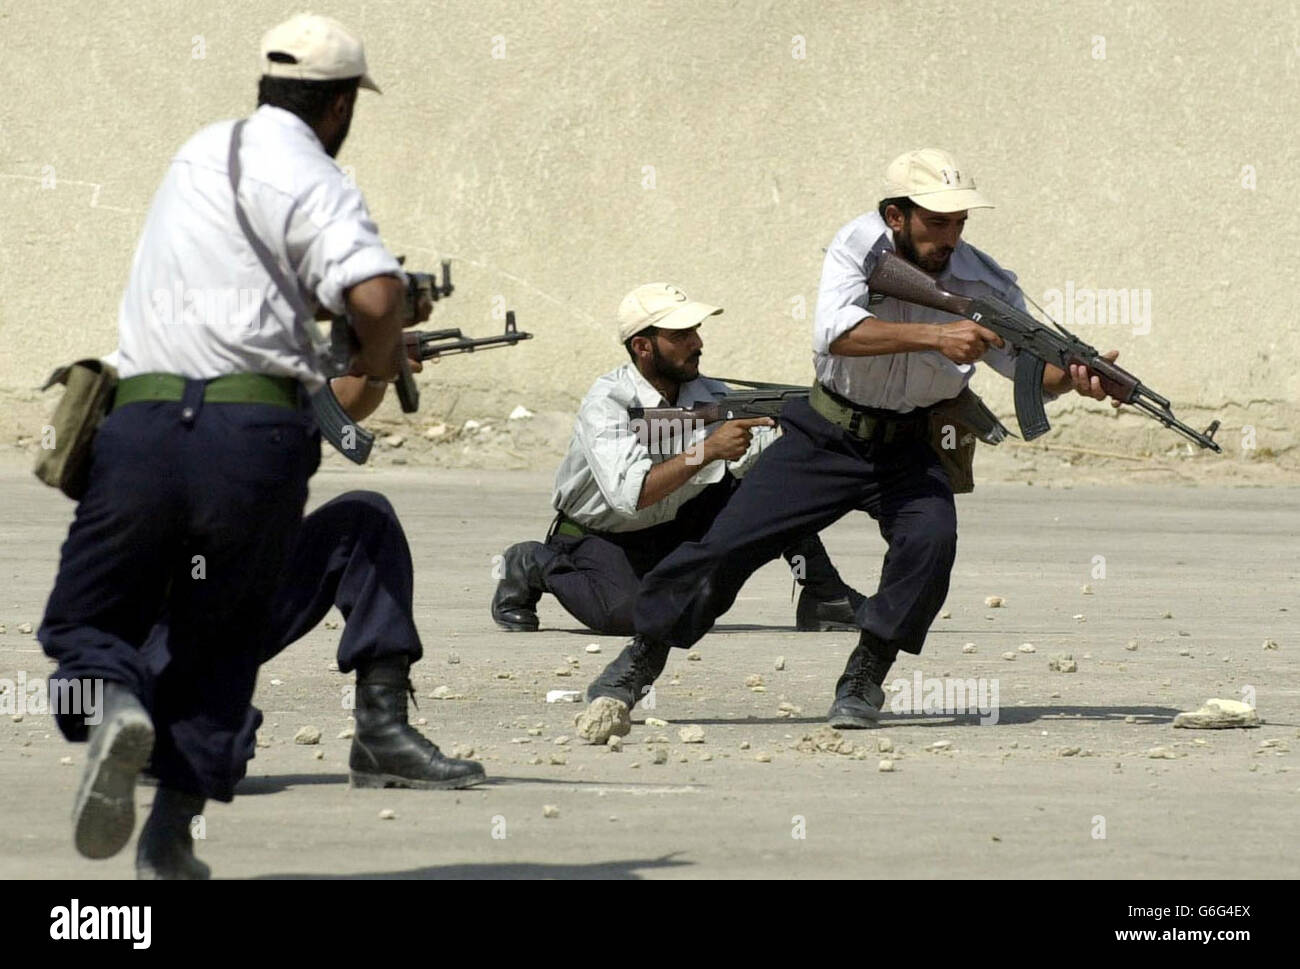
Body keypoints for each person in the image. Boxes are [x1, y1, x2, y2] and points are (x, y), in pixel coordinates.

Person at [37, 14, 440, 879]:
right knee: (222, 647)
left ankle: (109, 704)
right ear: (339, 105)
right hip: (250, 439)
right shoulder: (317, 175)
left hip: (142, 425)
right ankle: (170, 840)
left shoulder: (196, 154)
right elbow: (372, 293)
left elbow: (235, 287)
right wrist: (377, 347)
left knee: (78, 620)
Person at [575, 150, 1121, 742]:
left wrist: (1077, 379)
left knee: (930, 543)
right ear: (895, 215)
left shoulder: (984, 282)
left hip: (911, 442)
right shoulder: (858, 247)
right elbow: (834, 335)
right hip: (827, 433)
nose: (951, 237)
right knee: (727, 544)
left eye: (960, 222)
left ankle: (867, 670)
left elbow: (1032, 373)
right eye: (937, 222)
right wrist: (938, 335)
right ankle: (644, 657)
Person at [491, 282, 863, 637]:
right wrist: (709, 449)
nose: (697, 343)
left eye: (696, 331)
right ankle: (533, 563)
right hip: (603, 534)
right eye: (681, 336)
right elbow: (632, 495)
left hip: (678, 524)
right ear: (642, 346)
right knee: (631, 617)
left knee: (772, 485)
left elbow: (749, 465)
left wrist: (798, 430)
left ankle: (824, 595)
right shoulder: (609, 403)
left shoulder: (713, 395)